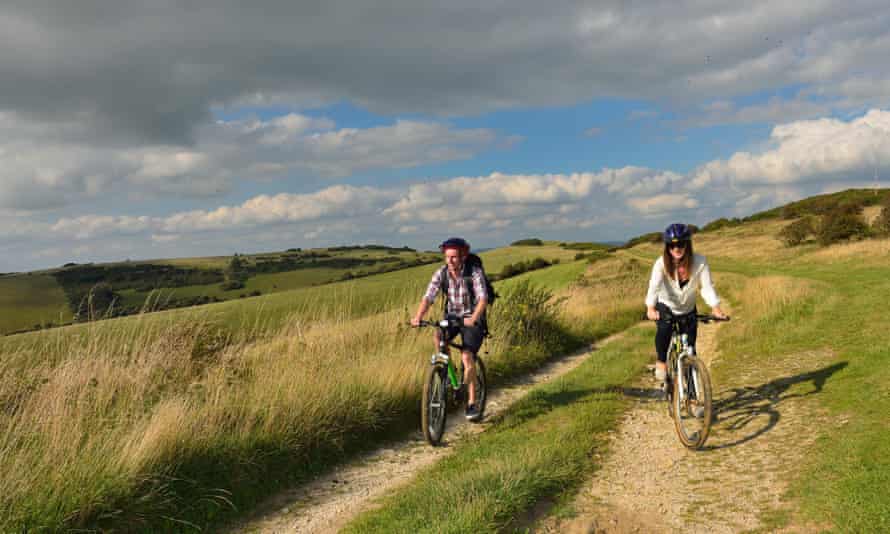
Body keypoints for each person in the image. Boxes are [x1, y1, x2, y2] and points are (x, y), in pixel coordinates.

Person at [411, 237, 488, 421]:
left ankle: (471, 402)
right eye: (447, 257)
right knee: (438, 337)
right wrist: (418, 316)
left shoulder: (474, 273)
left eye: (454, 257)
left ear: (463, 256)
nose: (450, 261)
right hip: (452, 318)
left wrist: (473, 318)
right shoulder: (442, 273)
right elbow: (429, 296)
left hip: (472, 319)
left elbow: (483, 299)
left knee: (467, 356)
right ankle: (447, 370)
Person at [645, 223, 727, 387]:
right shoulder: (661, 264)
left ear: (687, 244)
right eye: (672, 245)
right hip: (666, 306)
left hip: (688, 309)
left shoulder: (700, 262)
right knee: (664, 328)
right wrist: (650, 308)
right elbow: (654, 287)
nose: (677, 248)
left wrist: (716, 308)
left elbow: (707, 287)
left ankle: (693, 398)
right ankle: (661, 361)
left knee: (690, 350)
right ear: (668, 247)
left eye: (681, 244)